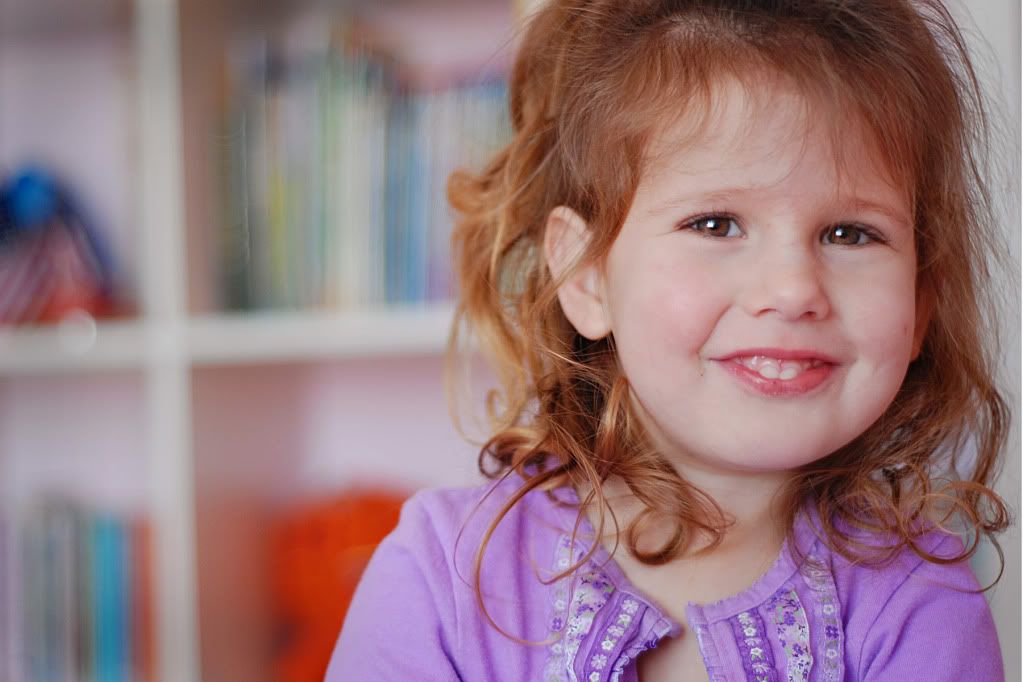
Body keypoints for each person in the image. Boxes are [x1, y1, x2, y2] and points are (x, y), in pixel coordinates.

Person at [327, 1, 1012, 679]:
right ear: (586, 274)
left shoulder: (922, 602)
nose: (792, 289)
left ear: (921, 299)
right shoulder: (440, 576)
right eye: (715, 225)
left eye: (850, 233)